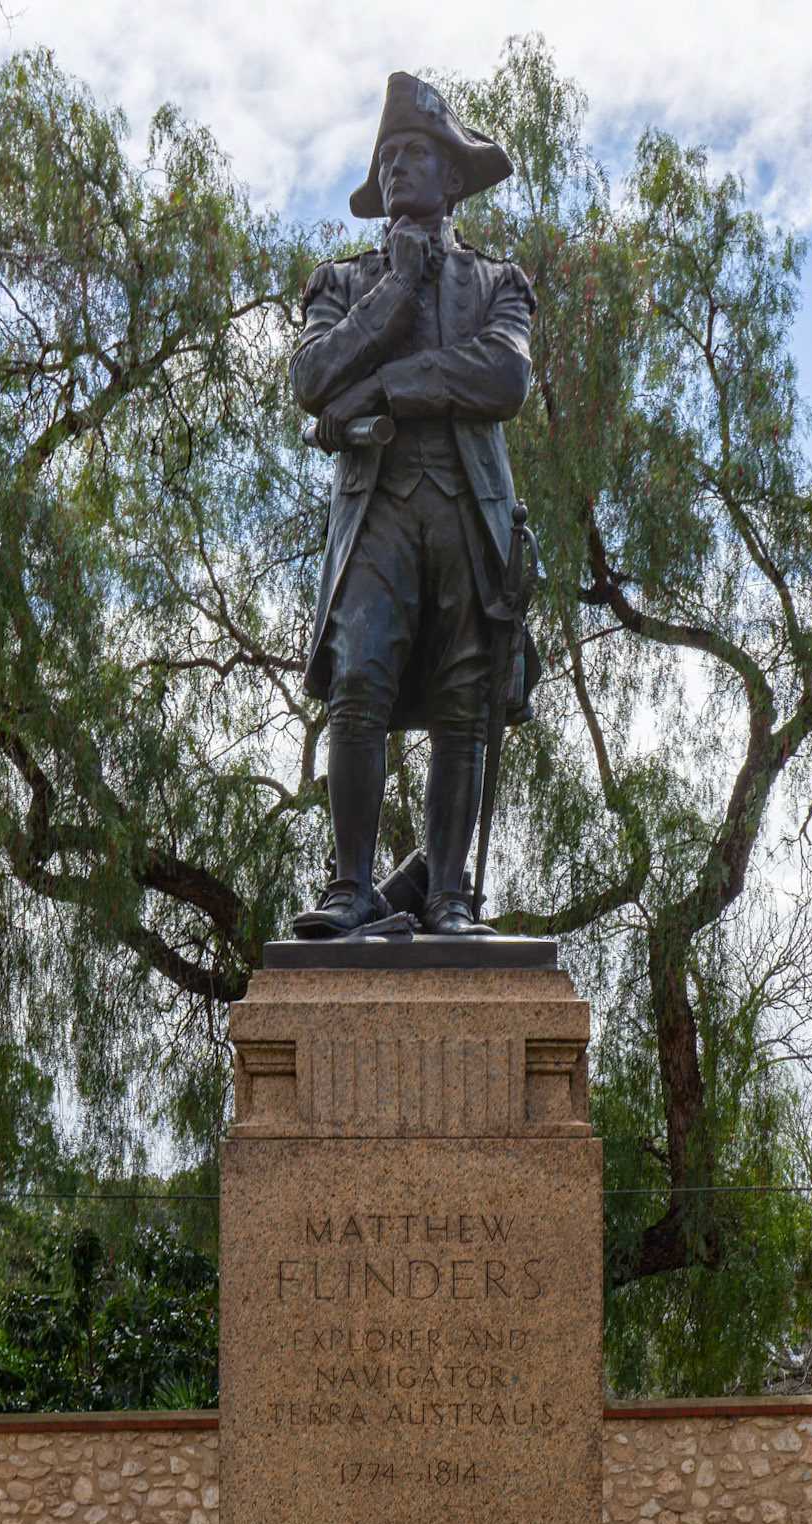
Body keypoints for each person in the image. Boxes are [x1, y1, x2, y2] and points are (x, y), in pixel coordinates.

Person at [291, 71, 538, 937]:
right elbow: (313, 380)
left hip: (469, 513)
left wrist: (391, 384)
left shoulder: (499, 281)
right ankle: (351, 889)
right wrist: (394, 294)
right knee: (357, 683)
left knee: (465, 706)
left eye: (416, 152)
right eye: (387, 156)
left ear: (453, 175)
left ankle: (448, 897)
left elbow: (504, 377)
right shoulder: (344, 282)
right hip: (378, 515)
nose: (399, 167)